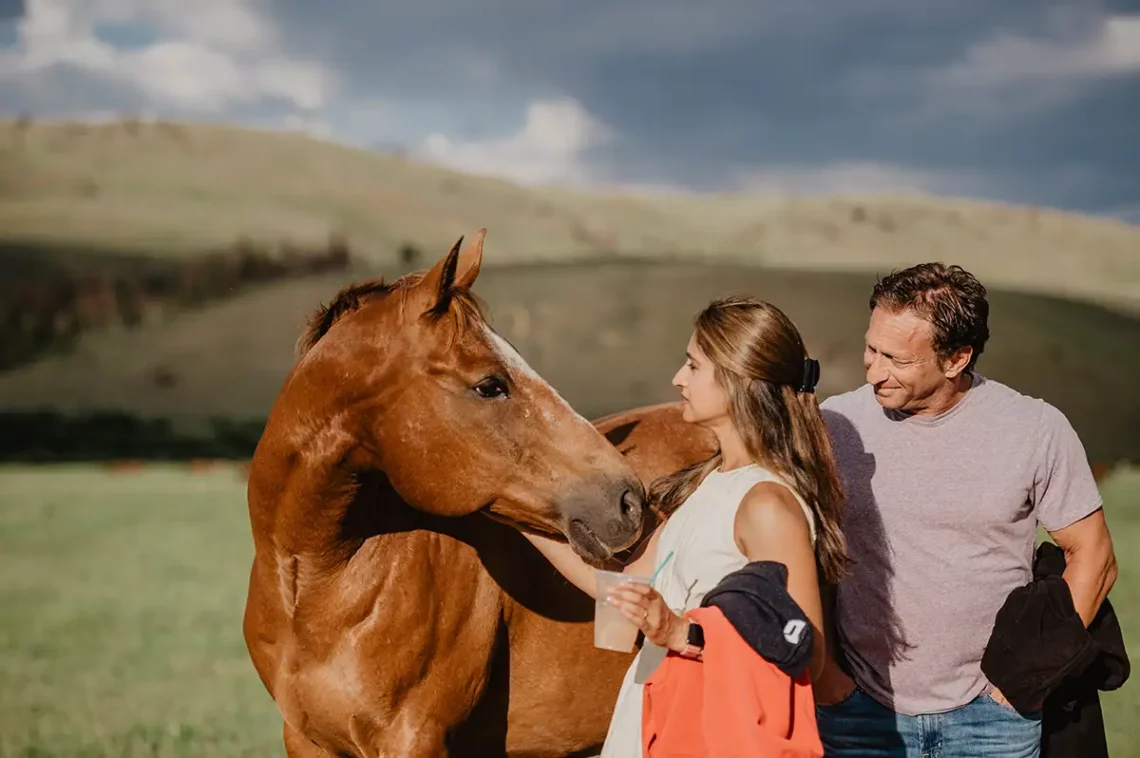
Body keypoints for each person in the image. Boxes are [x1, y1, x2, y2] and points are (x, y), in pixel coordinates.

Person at [813, 263, 1118, 758]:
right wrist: (828, 680)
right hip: (858, 713)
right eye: (871, 348)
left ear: (956, 358)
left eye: (897, 359)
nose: (873, 370)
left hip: (993, 720)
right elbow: (798, 552)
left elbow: (1094, 557)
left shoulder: (1035, 428)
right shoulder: (833, 424)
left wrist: (1021, 685)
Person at [525, 294, 848, 757]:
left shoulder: (767, 505)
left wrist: (683, 634)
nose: (678, 378)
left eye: (693, 366)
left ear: (737, 381)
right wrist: (514, 516)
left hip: (705, 733)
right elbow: (622, 587)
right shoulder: (709, 484)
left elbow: (806, 652)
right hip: (654, 714)